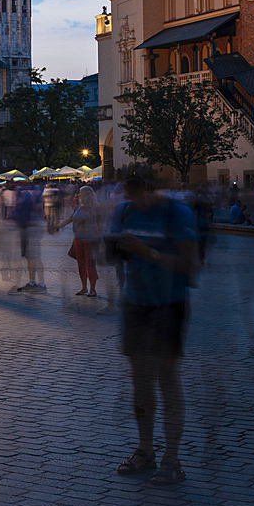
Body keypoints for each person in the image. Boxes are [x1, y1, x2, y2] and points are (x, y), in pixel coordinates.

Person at [107, 173, 198, 486]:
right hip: (135, 303)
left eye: (139, 195)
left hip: (168, 304)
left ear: (152, 189)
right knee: (141, 380)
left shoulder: (176, 214)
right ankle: (145, 449)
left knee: (167, 379)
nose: (135, 202)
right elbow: (115, 253)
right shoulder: (125, 211)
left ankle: (172, 459)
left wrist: (149, 252)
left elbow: (190, 265)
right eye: (129, 195)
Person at [61, 185, 101, 297]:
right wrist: (57, 226)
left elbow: (100, 224)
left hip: (90, 239)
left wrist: (99, 238)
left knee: (90, 264)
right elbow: (70, 219)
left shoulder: (96, 208)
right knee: (81, 264)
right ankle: (84, 287)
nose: (78, 195)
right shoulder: (79, 207)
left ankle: (93, 289)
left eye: (80, 193)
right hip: (78, 238)